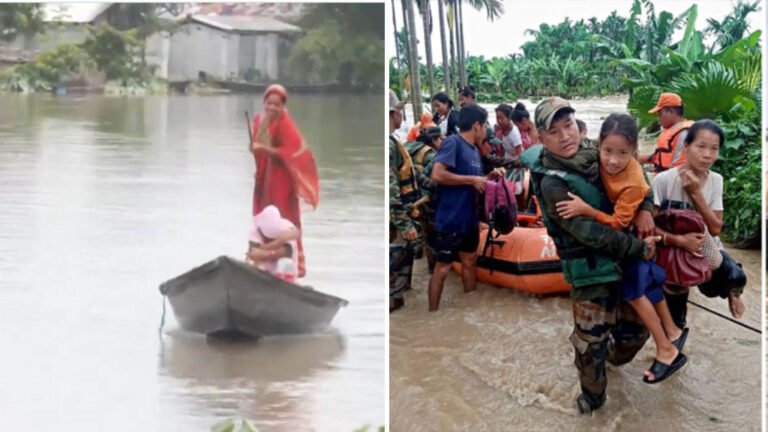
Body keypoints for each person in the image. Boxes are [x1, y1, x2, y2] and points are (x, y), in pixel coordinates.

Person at [520, 97, 659, 414]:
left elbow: (638, 178)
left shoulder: (599, 153)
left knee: (637, 332)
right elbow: (591, 234)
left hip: (624, 265)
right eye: (553, 131)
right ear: (541, 139)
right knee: (589, 344)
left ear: (577, 124)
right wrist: (639, 247)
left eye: (568, 125)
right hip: (591, 275)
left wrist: (646, 211)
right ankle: (593, 402)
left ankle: (612, 358)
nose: (565, 136)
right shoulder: (553, 183)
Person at [555, 113, 686, 384]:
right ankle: (672, 331)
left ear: (634, 151)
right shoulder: (589, 153)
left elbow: (617, 222)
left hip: (627, 240)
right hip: (631, 238)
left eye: (623, 153)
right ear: (598, 143)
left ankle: (665, 347)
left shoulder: (634, 181)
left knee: (634, 292)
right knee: (649, 286)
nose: (613, 160)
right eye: (608, 151)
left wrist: (585, 209)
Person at [651, 119, 745, 328]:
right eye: (701, 146)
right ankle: (675, 333)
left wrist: (695, 193)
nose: (707, 155)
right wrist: (678, 240)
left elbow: (715, 228)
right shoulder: (663, 180)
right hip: (671, 246)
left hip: (704, 244)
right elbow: (648, 226)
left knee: (736, 277)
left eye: (714, 149)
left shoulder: (716, 180)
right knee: (675, 305)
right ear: (686, 147)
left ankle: (732, 291)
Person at [428, 104, 505, 312]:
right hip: (450, 218)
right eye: (485, 124)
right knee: (442, 268)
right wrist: (472, 179)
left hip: (469, 219)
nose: (486, 129)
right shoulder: (453, 143)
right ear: (477, 125)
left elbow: (474, 182)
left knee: (470, 260)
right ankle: (432, 315)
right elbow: (437, 174)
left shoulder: (473, 151)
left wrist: (489, 178)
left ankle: (469, 309)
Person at [251, 84, 319, 278]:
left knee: (285, 218)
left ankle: (292, 263)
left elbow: (291, 153)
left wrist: (264, 150)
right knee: (262, 217)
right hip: (265, 177)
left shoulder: (285, 123)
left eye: (277, 104)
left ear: (283, 106)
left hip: (282, 179)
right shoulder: (258, 121)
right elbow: (258, 149)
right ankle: (263, 260)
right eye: (269, 103)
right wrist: (256, 151)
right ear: (264, 103)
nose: (272, 107)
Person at [390, 91, 421, 312]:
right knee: (395, 262)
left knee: (402, 260)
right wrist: (404, 223)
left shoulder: (392, 141)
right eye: (401, 111)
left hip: (402, 212)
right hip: (395, 221)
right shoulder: (389, 145)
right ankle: (394, 301)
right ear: (393, 114)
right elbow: (390, 190)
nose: (402, 116)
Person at [406, 126, 443, 273]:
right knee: (432, 236)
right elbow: (432, 179)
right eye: (440, 138)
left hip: (408, 197)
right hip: (425, 199)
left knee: (412, 235)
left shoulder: (406, 147)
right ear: (433, 140)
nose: (442, 141)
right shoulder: (431, 155)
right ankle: (433, 269)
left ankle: (414, 260)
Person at [640, 92, 694, 172]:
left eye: (660, 113)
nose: (658, 118)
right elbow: (659, 157)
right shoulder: (673, 131)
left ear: (671, 111)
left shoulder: (683, 134)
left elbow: (680, 168)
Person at [246, 205, 300, 281]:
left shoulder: (287, 229)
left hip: (285, 274)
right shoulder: (255, 229)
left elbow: (286, 252)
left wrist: (270, 248)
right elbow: (253, 252)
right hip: (264, 274)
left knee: (285, 262)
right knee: (254, 264)